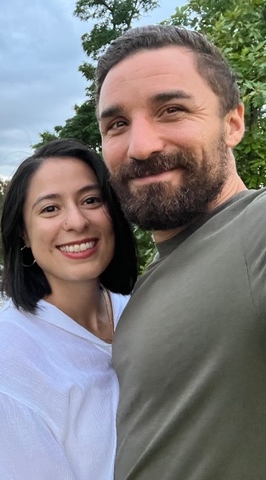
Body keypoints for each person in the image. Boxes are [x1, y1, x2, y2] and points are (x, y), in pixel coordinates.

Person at [95, 24, 266, 479]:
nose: (141, 145)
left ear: (233, 123)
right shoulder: (157, 274)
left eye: (171, 110)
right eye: (117, 124)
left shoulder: (256, 228)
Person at [0, 139, 138, 479]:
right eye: (50, 209)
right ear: (24, 236)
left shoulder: (136, 311)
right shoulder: (11, 355)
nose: (76, 221)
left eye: (91, 200)